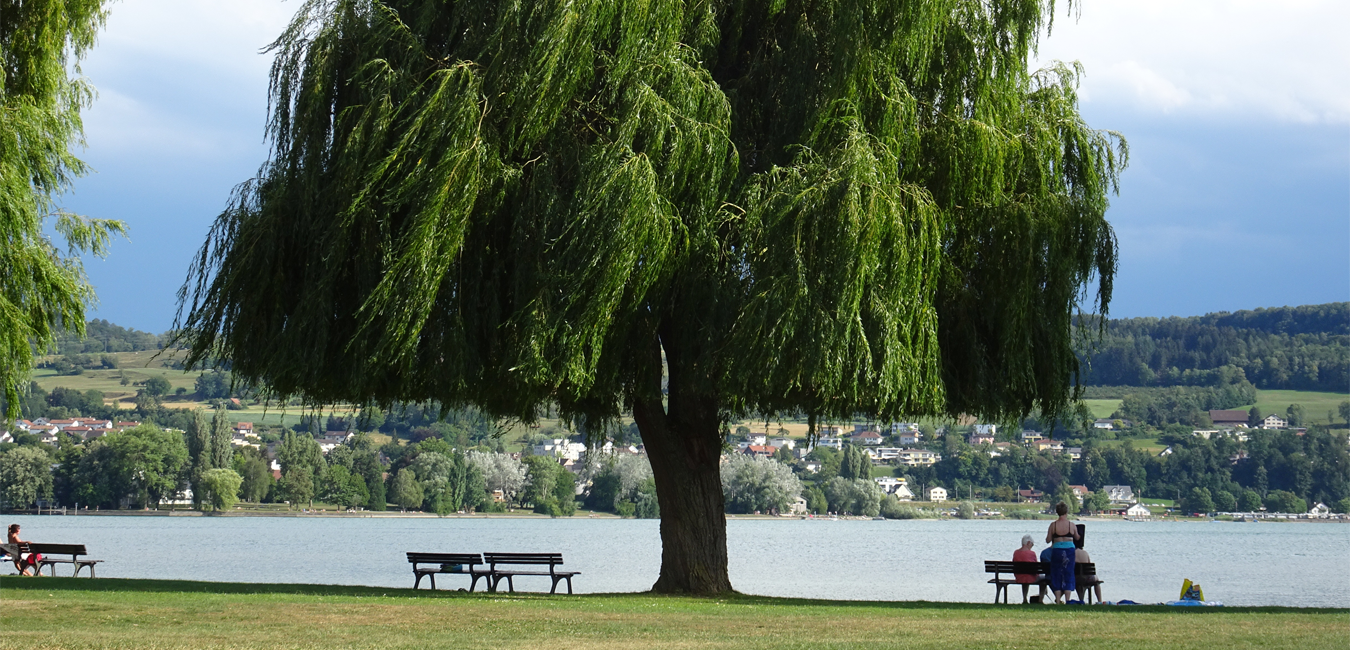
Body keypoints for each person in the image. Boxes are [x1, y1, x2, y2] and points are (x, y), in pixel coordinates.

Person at [1044, 502, 1079, 603]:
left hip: (1057, 550)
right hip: (1069, 551)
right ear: (1066, 512)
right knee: (1068, 573)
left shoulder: (1053, 525)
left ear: (1057, 512)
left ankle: (1058, 600)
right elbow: (1077, 537)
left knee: (1056, 574)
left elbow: (1048, 540)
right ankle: (1067, 599)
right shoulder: (1071, 525)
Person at [1012, 534, 1045, 604]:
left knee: (1025, 577)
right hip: (1030, 578)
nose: (1032, 546)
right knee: (1044, 579)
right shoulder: (1032, 553)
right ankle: (1040, 600)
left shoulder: (1016, 553)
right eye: (1032, 544)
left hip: (1019, 577)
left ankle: (1024, 598)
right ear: (1028, 543)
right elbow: (1036, 568)